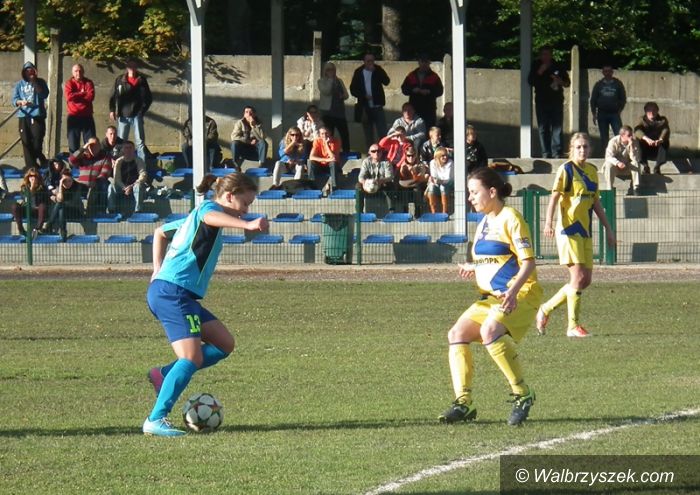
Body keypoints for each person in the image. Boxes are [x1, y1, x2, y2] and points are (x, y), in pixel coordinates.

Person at [143, 172, 269, 437]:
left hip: (177, 293)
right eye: (245, 203)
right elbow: (211, 216)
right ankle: (155, 419)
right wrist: (247, 225)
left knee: (224, 343)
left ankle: (164, 374)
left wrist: (156, 269)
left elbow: (160, 232)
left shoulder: (195, 218)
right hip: (173, 293)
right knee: (191, 357)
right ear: (229, 196)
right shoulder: (207, 210)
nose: (247, 210)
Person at [438, 166, 542, 426]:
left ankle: (522, 394)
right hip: (492, 297)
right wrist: (474, 267)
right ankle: (464, 403)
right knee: (456, 334)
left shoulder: (511, 218)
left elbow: (528, 262)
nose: (470, 197)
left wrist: (513, 291)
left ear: (492, 192)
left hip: (521, 293)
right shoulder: (484, 221)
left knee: (490, 331)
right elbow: (497, 259)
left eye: (474, 192)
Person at [537, 133, 616, 338]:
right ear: (571, 149)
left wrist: (608, 228)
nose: (582, 150)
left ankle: (545, 309)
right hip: (568, 230)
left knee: (585, 280)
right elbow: (554, 197)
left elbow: (596, 202)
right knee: (577, 277)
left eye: (585, 147)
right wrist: (548, 222)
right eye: (578, 147)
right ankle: (573, 326)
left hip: (585, 231)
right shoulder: (566, 169)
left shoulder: (592, 171)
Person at [528, 46, 570, 158]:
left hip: (556, 100)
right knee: (543, 127)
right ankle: (546, 153)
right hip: (541, 101)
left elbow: (567, 83)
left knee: (557, 127)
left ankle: (557, 153)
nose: (545, 57)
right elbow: (531, 81)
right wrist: (540, 71)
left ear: (551, 55)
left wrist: (560, 81)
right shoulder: (536, 65)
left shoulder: (558, 65)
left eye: (547, 54)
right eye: (543, 54)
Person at [108, 59, 153, 161]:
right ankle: (119, 164)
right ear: (126, 67)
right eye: (130, 66)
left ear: (137, 68)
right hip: (123, 116)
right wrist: (112, 110)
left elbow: (149, 98)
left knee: (140, 142)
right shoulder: (120, 80)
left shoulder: (141, 80)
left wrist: (142, 111)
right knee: (120, 142)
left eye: (134, 66)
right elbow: (112, 96)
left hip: (137, 115)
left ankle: (142, 165)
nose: (132, 68)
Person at [12, 61, 49, 170]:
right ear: (24, 72)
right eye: (27, 71)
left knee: (37, 141)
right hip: (24, 115)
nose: (29, 73)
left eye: (31, 70)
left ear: (35, 71)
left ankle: (40, 158)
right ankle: (31, 167)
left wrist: (35, 82)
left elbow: (44, 94)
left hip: (37, 115)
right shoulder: (19, 84)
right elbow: (14, 100)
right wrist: (20, 102)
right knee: (26, 142)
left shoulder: (40, 82)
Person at [350, 53, 391, 150]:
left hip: (377, 106)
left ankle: (385, 152)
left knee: (382, 132)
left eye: (372, 61)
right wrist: (364, 96)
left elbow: (386, 81)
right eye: (368, 61)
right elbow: (353, 89)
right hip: (365, 107)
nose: (370, 63)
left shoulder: (378, 69)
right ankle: (372, 152)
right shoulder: (359, 72)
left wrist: (377, 72)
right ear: (364, 61)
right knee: (368, 133)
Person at [69, 137, 112, 216]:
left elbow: (105, 173)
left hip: (96, 185)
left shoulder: (105, 157)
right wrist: (83, 148)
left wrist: (95, 182)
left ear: (99, 146)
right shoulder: (83, 157)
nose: (93, 147)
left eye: (95, 145)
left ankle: (99, 212)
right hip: (82, 185)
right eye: (91, 145)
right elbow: (71, 160)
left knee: (103, 184)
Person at [400, 55, 444, 129]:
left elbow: (440, 91)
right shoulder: (411, 75)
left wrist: (429, 91)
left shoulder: (434, 76)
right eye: (422, 62)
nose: (424, 64)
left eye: (426, 62)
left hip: (429, 109)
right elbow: (404, 89)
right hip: (414, 108)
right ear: (419, 62)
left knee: (429, 129)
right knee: (414, 128)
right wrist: (412, 90)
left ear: (429, 63)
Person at [590, 65, 626, 152]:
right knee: (604, 137)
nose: (607, 73)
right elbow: (593, 100)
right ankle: (605, 154)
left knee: (619, 135)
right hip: (602, 113)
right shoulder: (598, 85)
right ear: (603, 72)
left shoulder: (618, 84)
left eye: (609, 71)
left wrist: (620, 110)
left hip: (614, 113)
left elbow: (623, 98)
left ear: (612, 72)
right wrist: (594, 114)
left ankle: (620, 153)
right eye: (605, 71)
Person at [317, 62, 350, 153]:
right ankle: (328, 152)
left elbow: (346, 95)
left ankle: (346, 152)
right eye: (329, 70)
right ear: (325, 71)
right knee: (328, 133)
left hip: (339, 112)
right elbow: (326, 91)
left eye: (332, 69)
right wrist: (330, 80)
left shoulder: (339, 81)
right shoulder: (321, 81)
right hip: (327, 112)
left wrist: (342, 96)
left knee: (344, 134)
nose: (331, 71)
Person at [64, 63, 96, 153]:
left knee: (90, 144)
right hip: (73, 117)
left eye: (80, 71)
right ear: (72, 72)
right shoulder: (69, 83)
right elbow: (69, 97)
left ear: (83, 72)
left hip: (87, 116)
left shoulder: (88, 83)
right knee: (73, 145)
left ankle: (90, 161)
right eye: (76, 71)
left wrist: (76, 96)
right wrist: (82, 93)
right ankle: (75, 162)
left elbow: (90, 97)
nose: (78, 73)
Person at [108, 141, 147, 215]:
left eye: (130, 148)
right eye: (126, 148)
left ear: (134, 149)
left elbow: (143, 175)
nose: (128, 150)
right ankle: (111, 210)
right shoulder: (118, 162)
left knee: (138, 186)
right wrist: (125, 188)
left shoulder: (139, 160)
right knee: (111, 187)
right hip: (122, 187)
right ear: (123, 150)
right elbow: (117, 178)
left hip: (134, 186)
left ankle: (138, 211)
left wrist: (131, 186)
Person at [45, 168, 84, 241]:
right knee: (61, 209)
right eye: (65, 181)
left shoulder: (77, 186)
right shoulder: (60, 187)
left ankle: (48, 226)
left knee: (60, 206)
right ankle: (63, 234)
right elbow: (60, 200)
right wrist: (60, 185)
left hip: (76, 212)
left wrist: (56, 199)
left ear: (72, 180)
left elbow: (70, 202)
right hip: (64, 212)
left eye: (69, 181)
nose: (67, 183)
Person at [602, 125, 642, 195]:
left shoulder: (634, 141)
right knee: (608, 164)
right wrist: (617, 163)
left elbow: (635, 158)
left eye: (631, 135)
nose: (631, 137)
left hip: (627, 165)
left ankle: (635, 188)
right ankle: (609, 189)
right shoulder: (613, 141)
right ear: (622, 135)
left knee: (636, 163)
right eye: (629, 135)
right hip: (615, 166)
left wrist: (631, 146)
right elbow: (608, 157)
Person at [357, 143, 396, 213]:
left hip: (382, 184)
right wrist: (365, 183)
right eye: (373, 151)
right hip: (368, 185)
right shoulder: (366, 161)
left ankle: (392, 211)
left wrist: (379, 181)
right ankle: (359, 212)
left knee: (390, 185)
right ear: (369, 153)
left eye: (378, 151)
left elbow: (390, 177)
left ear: (381, 152)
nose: (376, 153)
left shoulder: (387, 162)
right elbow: (361, 176)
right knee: (358, 186)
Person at [634, 101, 670, 175]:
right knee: (638, 141)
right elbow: (637, 130)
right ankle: (645, 166)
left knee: (665, 142)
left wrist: (660, 140)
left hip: (657, 147)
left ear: (657, 111)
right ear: (645, 111)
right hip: (645, 147)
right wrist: (646, 139)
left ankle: (657, 167)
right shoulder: (641, 120)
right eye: (649, 110)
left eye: (654, 110)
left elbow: (666, 130)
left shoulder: (663, 120)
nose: (652, 112)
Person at [11, 167, 48, 238]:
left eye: (35, 176)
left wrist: (34, 188)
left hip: (37, 211)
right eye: (31, 176)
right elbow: (26, 199)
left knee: (42, 206)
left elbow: (38, 202)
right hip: (26, 209)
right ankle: (21, 229)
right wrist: (31, 188)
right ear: (28, 177)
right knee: (15, 206)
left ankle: (37, 229)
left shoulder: (42, 188)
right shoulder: (24, 187)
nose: (33, 178)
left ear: (38, 177)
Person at [308, 127, 342, 194]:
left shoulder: (336, 141)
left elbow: (333, 158)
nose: (325, 135)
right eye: (322, 134)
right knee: (310, 162)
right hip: (320, 165)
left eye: (326, 133)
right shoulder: (317, 141)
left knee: (333, 163)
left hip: (331, 167)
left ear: (330, 133)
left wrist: (326, 145)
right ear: (320, 135)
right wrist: (326, 160)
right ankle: (312, 187)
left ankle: (335, 187)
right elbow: (311, 157)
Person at [397, 147, 429, 217]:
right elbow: (402, 179)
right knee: (404, 191)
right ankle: (405, 211)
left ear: (416, 155)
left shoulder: (420, 165)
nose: (411, 157)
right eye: (408, 155)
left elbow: (420, 178)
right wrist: (403, 171)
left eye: (413, 155)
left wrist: (413, 172)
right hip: (406, 185)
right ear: (406, 156)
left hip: (417, 185)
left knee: (416, 190)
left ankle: (418, 210)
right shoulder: (403, 165)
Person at [426, 147, 454, 214]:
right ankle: (433, 211)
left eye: (446, 155)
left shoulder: (450, 162)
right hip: (438, 183)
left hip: (449, 183)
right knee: (431, 186)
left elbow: (447, 178)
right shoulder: (432, 163)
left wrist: (438, 180)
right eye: (443, 156)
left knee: (442, 187)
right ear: (438, 157)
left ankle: (445, 211)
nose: (445, 157)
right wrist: (435, 180)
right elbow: (434, 176)